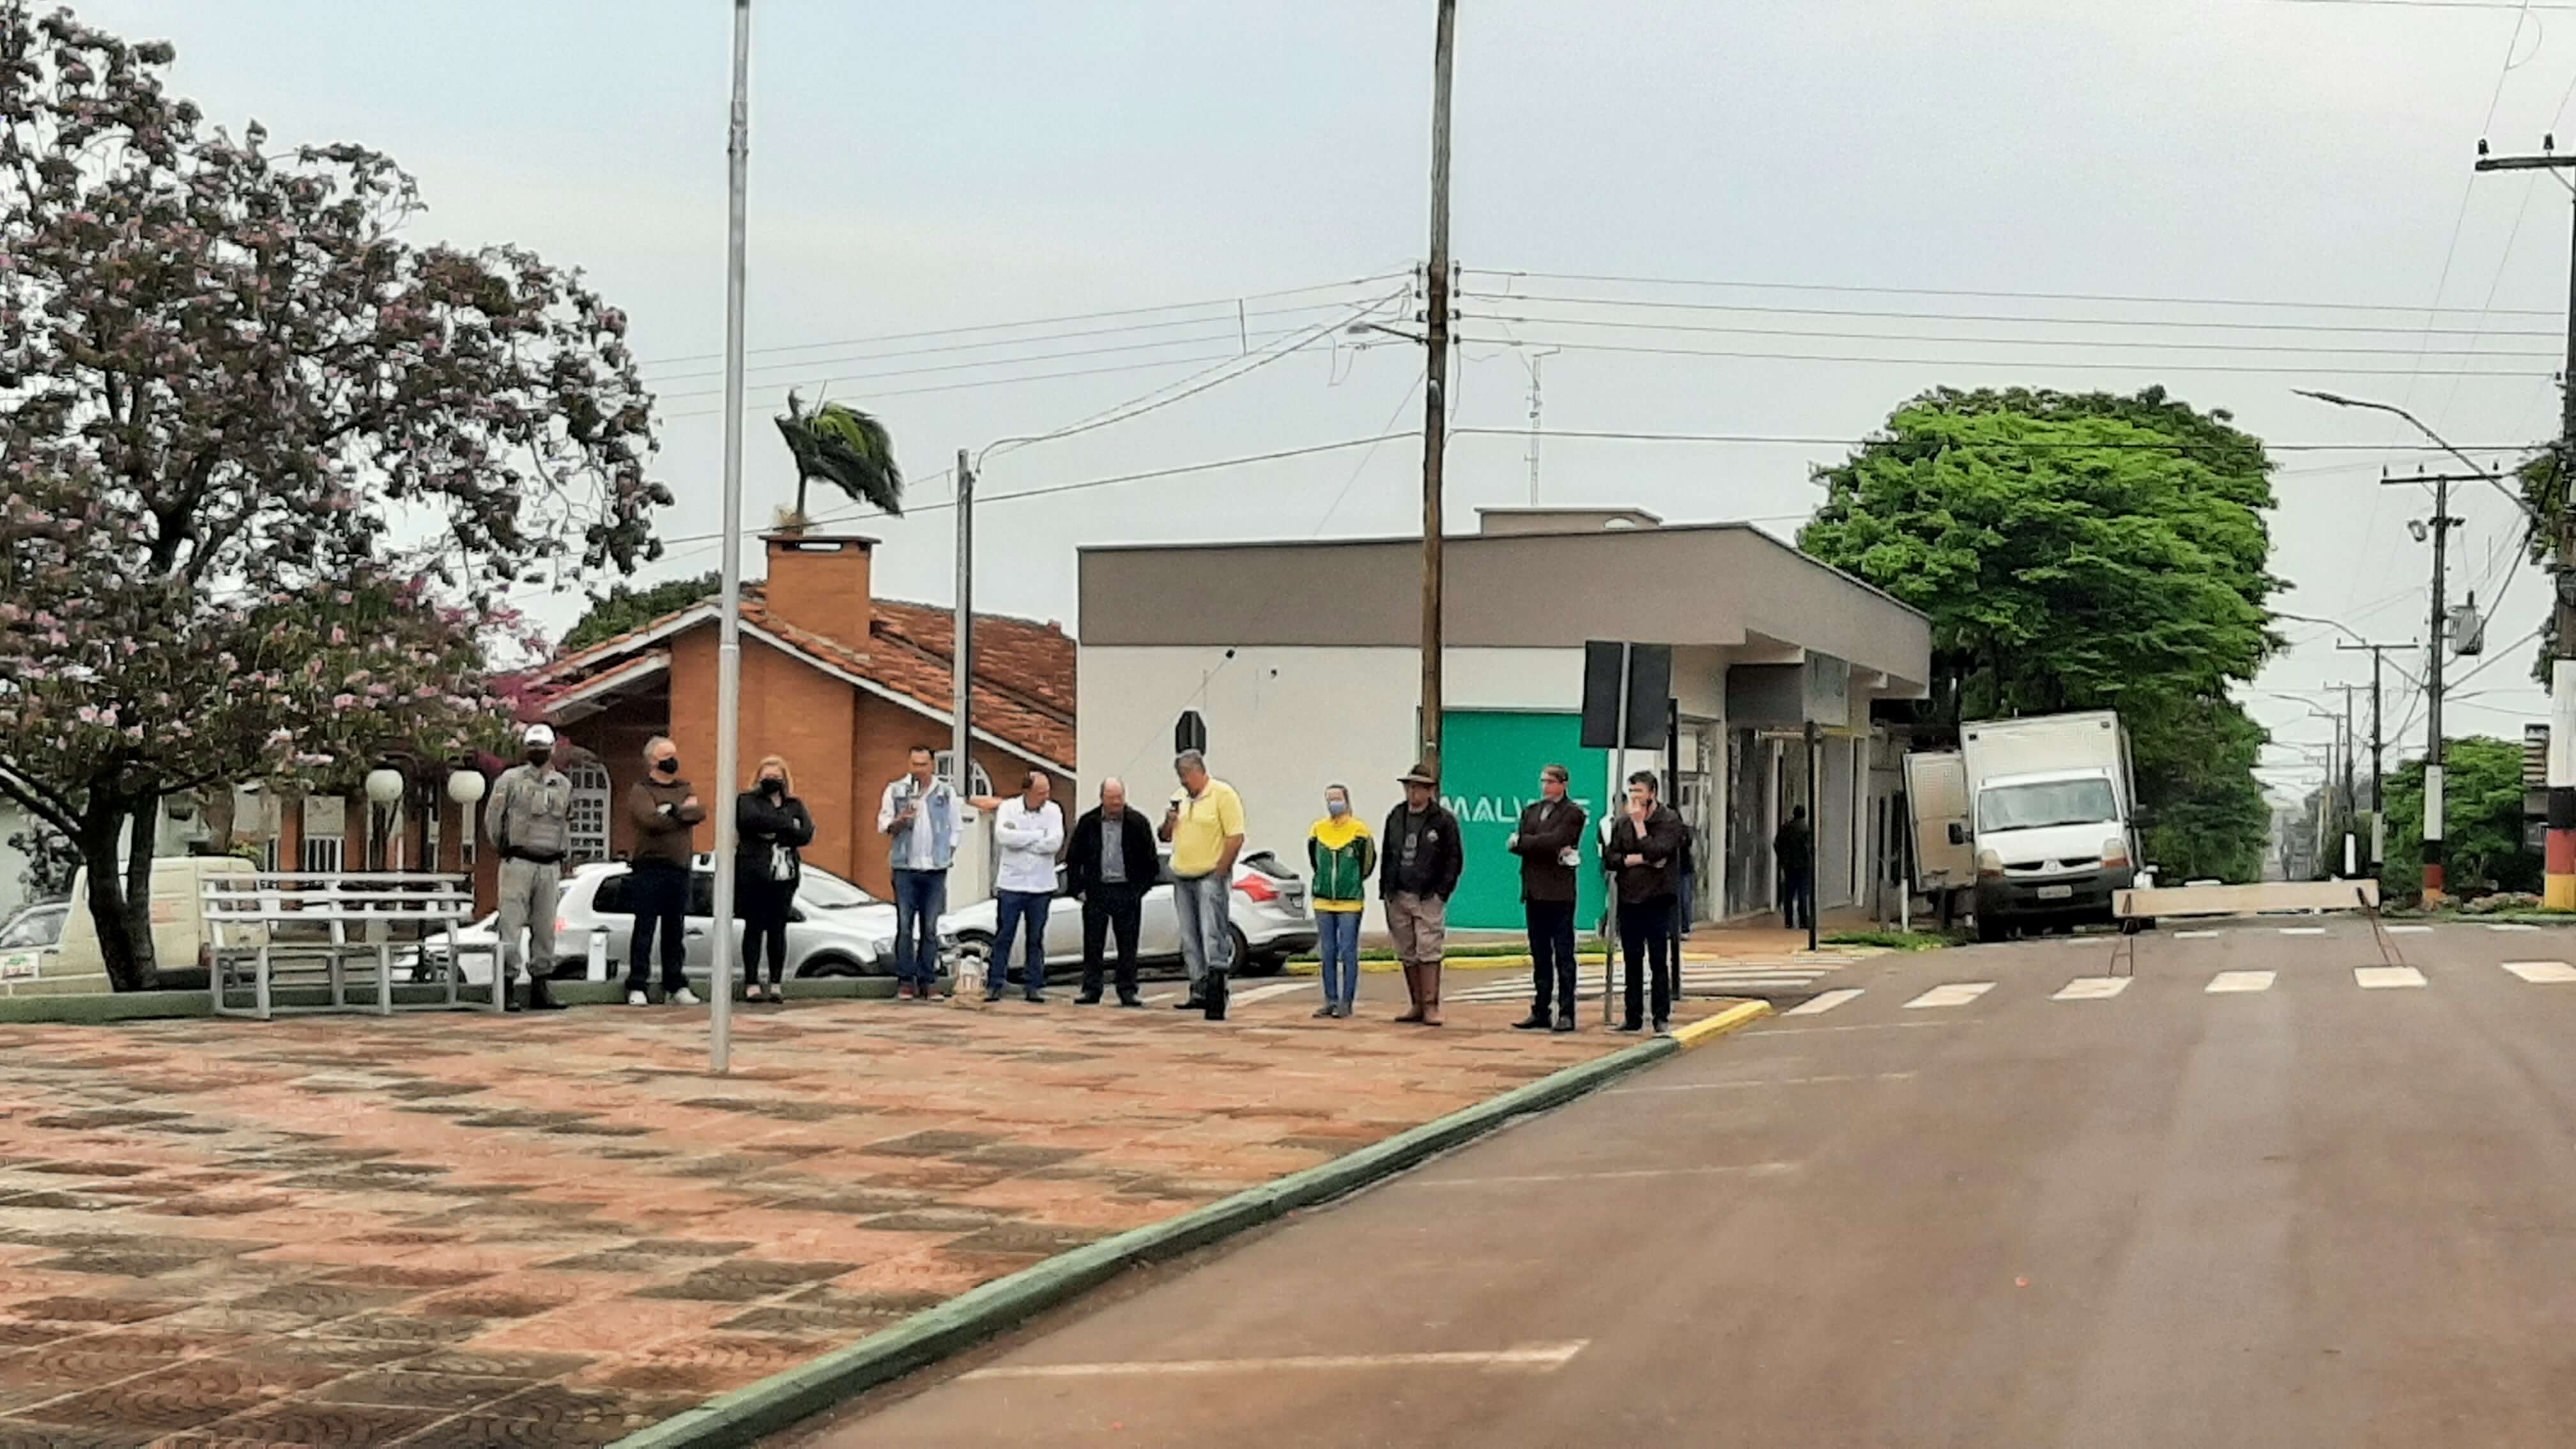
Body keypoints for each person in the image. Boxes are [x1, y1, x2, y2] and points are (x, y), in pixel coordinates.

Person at [484, 723, 571, 1013]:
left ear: (552, 749)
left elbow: (565, 824)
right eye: (534, 748)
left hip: (550, 864)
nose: (538, 753)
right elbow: (493, 820)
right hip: (518, 861)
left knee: (546, 929)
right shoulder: (509, 780)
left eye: (542, 748)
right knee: (510, 926)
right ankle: (507, 984)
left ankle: (541, 985)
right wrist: (505, 848)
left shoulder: (563, 785)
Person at [1161, 749, 1245, 1020]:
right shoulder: (1180, 798)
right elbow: (1164, 837)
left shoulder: (1223, 795)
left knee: (1212, 934)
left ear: (1199, 771)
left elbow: (1235, 837)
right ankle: (1198, 988)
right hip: (1182, 875)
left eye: (1186, 776)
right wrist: (1169, 822)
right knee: (1189, 937)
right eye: (1180, 776)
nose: (1183, 782)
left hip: (1210, 874)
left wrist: (1221, 871)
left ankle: (1217, 992)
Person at [878, 745, 966, 1000]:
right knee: (905, 925)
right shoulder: (896, 790)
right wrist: (900, 820)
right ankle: (905, 981)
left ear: (932, 765)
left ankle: (928, 980)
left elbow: (956, 827)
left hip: (935, 869)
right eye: (914, 764)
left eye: (923, 764)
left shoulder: (946, 793)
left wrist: (947, 852)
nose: (919, 770)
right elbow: (883, 825)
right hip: (905, 867)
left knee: (930, 927)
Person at [1379, 762, 1464, 1027]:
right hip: (1398, 893)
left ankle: (1431, 1005)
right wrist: (1386, 889)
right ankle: (1416, 1003)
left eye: (1418, 787)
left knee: (1429, 948)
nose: (1413, 792)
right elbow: (1387, 853)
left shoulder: (1443, 820)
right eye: (1409, 787)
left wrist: (1442, 892)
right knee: (1407, 950)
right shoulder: (1396, 816)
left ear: (1430, 791)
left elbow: (1454, 859)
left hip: (1428, 896)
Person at [625, 735, 706, 1006]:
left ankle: (676, 984)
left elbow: (698, 813)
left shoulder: (684, 787)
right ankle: (638, 985)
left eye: (674, 754)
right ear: (652, 761)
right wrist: (680, 815)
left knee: (675, 930)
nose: (673, 760)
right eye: (666, 756)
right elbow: (649, 820)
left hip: (679, 867)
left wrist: (671, 812)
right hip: (649, 867)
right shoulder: (641, 789)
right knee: (645, 928)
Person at [1506, 763, 1588, 1033]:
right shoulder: (1531, 811)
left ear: (1564, 784)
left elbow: (1556, 840)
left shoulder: (1573, 813)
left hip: (1559, 893)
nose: (1546, 786)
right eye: (1543, 781)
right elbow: (1521, 844)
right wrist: (1531, 844)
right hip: (1534, 890)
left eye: (1551, 781)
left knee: (1563, 954)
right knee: (1540, 954)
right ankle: (1541, 1010)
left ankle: (1567, 1012)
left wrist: (1527, 843)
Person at [1065, 777, 1157, 1007]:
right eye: (1111, 798)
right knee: (1093, 943)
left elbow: (1151, 861)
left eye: (1119, 798)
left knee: (1128, 944)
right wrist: (1078, 889)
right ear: (1102, 798)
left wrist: (1139, 890)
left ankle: (1127, 990)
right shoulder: (1088, 822)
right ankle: (1091, 989)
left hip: (1127, 891)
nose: (1116, 803)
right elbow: (1074, 858)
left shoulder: (1138, 822)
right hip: (1097, 891)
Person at [1607, 770, 1685, 1034]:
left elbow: (1659, 851)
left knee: (1658, 960)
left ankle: (1661, 1016)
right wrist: (1632, 859)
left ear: (1652, 793)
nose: (1635, 797)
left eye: (1639, 792)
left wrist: (1641, 827)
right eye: (1631, 792)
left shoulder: (1669, 820)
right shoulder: (1622, 823)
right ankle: (1633, 1016)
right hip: (1630, 899)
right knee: (1632, 959)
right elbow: (1611, 858)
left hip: (1658, 899)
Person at [735, 755, 813, 1004]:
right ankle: (751, 982)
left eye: (777, 777)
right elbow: (750, 821)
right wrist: (787, 825)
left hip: (784, 876)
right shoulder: (747, 800)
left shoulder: (794, 804)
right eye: (767, 776)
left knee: (778, 929)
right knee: (754, 928)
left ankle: (776, 983)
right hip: (754, 875)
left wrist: (777, 830)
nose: (772, 781)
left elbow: (805, 832)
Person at [982, 770, 1064, 1004]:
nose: (1045, 797)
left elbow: (1054, 843)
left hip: (1041, 885)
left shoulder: (1054, 810)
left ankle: (1034, 985)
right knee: (1004, 935)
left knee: (1035, 937)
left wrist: (1022, 838)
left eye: (1047, 792)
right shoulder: (1008, 808)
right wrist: (1037, 835)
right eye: (1040, 792)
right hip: (1012, 884)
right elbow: (1003, 837)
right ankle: (995, 983)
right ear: (1027, 791)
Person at [1305, 784, 1376, 1020]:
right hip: (1323, 901)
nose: (1333, 803)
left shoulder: (1359, 831)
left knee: (1348, 950)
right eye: (1330, 799)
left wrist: (1352, 881)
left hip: (1350, 902)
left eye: (1337, 798)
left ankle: (1347, 1001)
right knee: (1327, 951)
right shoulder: (1318, 829)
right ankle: (1330, 1000)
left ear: (1347, 800)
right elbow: (1315, 860)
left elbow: (1367, 863)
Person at [1775, 804, 1814, 932]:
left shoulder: (1786, 828)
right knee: (1803, 893)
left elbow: (1777, 844)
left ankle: (1789, 921)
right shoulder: (1806, 829)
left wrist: (1782, 858)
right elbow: (1808, 848)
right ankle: (1803, 920)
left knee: (1789, 893)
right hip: (1803, 866)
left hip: (1789, 865)